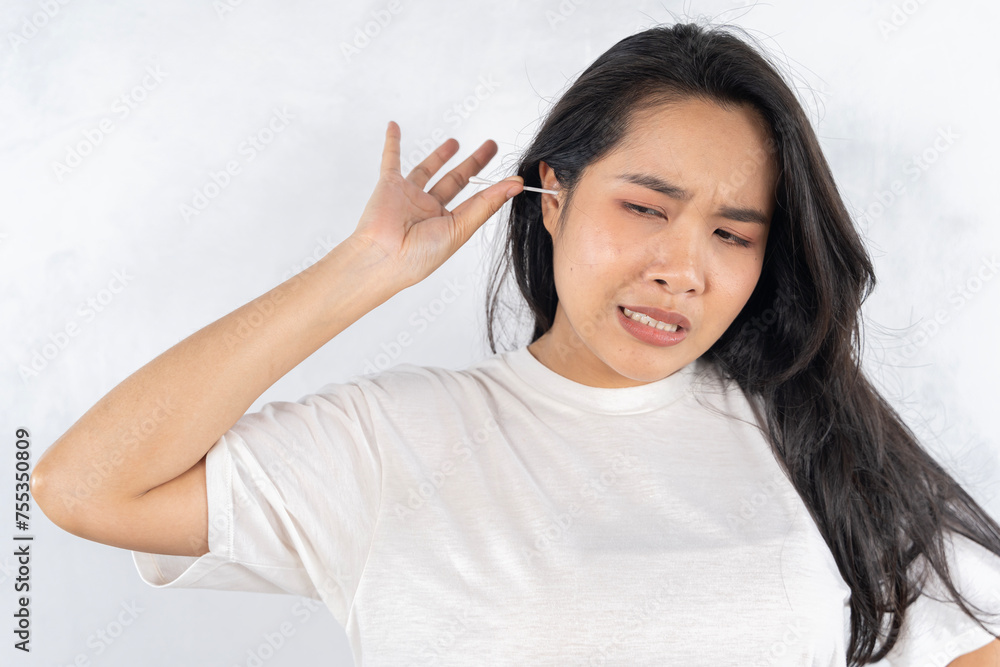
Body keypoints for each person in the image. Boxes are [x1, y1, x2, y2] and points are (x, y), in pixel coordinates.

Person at [31, 21, 1000, 666]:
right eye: (645, 208)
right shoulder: (391, 441)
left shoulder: (808, 433)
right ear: (554, 195)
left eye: (732, 234)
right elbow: (84, 486)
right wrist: (361, 270)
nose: (682, 268)